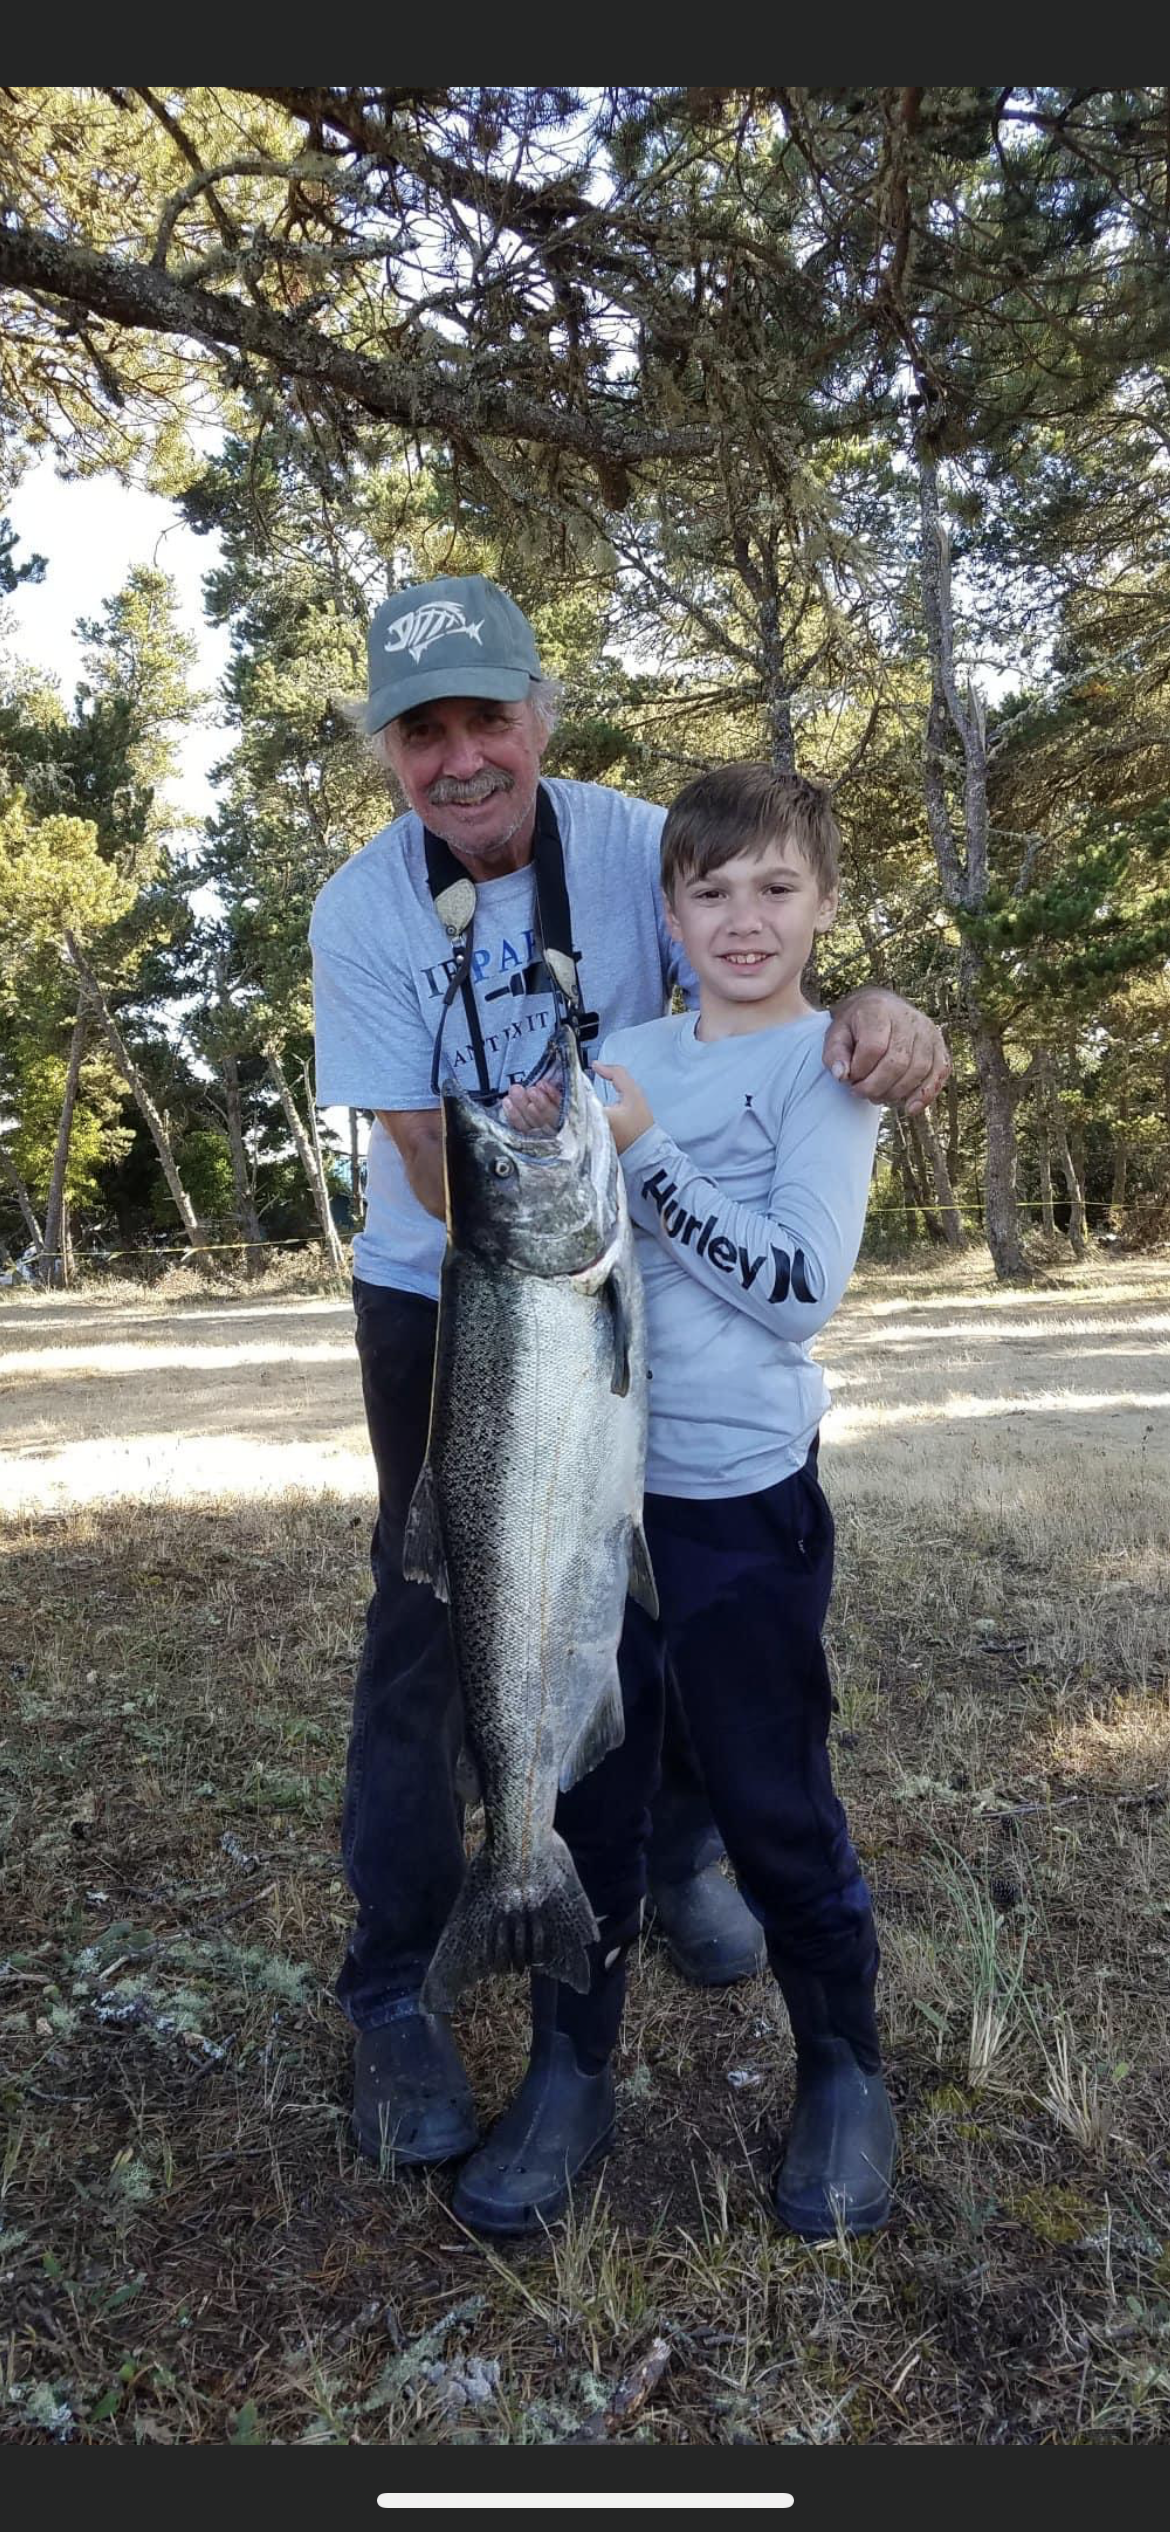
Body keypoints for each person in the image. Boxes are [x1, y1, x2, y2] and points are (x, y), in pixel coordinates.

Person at [309, 575, 947, 2172]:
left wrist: (878, 1012)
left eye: (488, 720)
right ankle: (397, 1984)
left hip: (646, 1305)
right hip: (460, 1283)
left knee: (667, 1605)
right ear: (391, 751)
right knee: (442, 1606)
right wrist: (557, 1184)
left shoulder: (641, 845)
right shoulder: (362, 912)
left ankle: (674, 1858)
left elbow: (766, 983)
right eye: (422, 732)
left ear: (541, 715)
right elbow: (425, 1161)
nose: (461, 759)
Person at [451, 763, 894, 2240]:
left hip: (737, 1508)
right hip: (587, 1514)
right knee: (582, 1801)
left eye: (776, 888)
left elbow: (797, 1293)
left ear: (824, 905)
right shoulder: (620, 1052)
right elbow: (539, 1205)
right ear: (670, 909)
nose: (744, 919)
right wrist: (551, 1122)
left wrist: (648, 1156)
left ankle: (841, 2063)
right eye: (711, 892)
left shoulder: (822, 1068)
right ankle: (569, 2070)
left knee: (772, 1800)